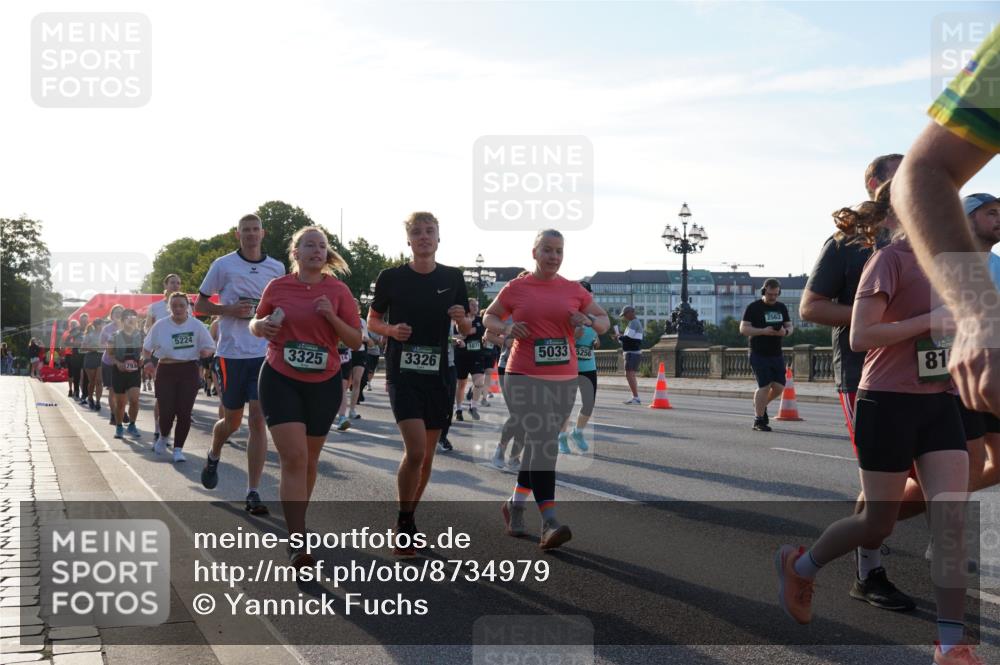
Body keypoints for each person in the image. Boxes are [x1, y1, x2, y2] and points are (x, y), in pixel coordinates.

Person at [775, 181, 976, 664]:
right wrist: (928, 321)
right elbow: (863, 334)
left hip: (939, 400)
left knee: (949, 522)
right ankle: (801, 566)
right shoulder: (888, 260)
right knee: (877, 522)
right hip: (885, 401)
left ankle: (951, 645)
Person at [799, 153, 916, 611]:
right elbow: (810, 307)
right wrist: (877, 318)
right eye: (901, 176)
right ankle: (868, 570)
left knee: (937, 473)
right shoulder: (847, 240)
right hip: (864, 375)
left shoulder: (926, 235)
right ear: (874, 185)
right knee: (882, 477)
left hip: (928, 376)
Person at [893, 26, 1000, 425]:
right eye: (990, 211)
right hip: (904, 382)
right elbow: (923, 172)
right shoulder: (889, 259)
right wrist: (980, 319)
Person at [484, 229, 610, 550]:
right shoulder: (517, 288)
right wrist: (508, 327)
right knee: (544, 445)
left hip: (564, 379)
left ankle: (514, 504)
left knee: (540, 446)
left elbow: (604, 321)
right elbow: (489, 317)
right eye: (547, 250)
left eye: (559, 251)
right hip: (522, 375)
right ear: (535, 252)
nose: (554, 256)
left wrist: (589, 320)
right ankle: (549, 521)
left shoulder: (573, 289)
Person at [246, 226, 360, 566]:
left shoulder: (339, 291)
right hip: (281, 377)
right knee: (294, 457)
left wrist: (330, 316)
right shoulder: (278, 286)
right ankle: (297, 540)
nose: (316, 250)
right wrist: (261, 326)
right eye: (309, 245)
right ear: (295, 253)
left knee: (309, 460)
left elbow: (355, 341)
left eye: (322, 246)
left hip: (323, 382)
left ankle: (299, 522)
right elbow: (256, 321)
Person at [367, 212, 472, 556]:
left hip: (439, 374)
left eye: (430, 232)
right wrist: (391, 331)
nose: (424, 237)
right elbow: (373, 320)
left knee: (425, 458)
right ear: (408, 240)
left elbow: (469, 330)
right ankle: (402, 520)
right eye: (417, 232)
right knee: (414, 451)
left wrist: (462, 320)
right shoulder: (391, 277)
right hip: (404, 373)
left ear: (439, 239)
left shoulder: (453, 277)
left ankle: (409, 520)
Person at [196, 213, 285, 515]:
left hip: (263, 353)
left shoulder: (277, 268)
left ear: (263, 233)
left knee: (258, 421)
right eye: (245, 230)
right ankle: (214, 452)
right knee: (232, 422)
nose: (250, 234)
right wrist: (229, 309)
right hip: (231, 354)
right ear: (238, 235)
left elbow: (279, 307)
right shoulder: (223, 265)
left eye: (255, 229)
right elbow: (200, 305)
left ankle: (253, 492)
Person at [142, 292, 216, 462]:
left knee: (184, 412)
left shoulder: (196, 325)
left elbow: (210, 346)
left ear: (187, 307)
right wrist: (147, 362)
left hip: (188, 370)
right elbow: (146, 348)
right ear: (169, 307)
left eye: (181, 305)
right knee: (166, 411)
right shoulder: (160, 325)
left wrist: (206, 351)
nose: (178, 309)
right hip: (166, 369)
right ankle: (163, 436)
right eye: (174, 305)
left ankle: (178, 449)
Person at [739, 279, 792, 431]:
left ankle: (760, 405)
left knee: (779, 387)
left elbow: (789, 326)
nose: (773, 297)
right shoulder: (753, 307)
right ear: (764, 292)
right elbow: (743, 329)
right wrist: (762, 331)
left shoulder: (781, 307)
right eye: (770, 294)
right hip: (758, 352)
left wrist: (785, 332)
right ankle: (759, 420)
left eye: (776, 295)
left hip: (776, 353)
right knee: (764, 385)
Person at [558, 280, 598, 454]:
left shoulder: (594, 317)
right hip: (570, 367)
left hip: (589, 366)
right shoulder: (569, 315)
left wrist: (596, 341)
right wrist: (573, 337)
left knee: (589, 404)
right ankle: (561, 437)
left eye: (589, 294)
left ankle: (578, 432)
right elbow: (558, 341)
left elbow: (596, 335)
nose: (587, 297)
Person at [146, 274, 186, 442]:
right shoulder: (155, 307)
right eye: (172, 282)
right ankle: (159, 429)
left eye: (178, 283)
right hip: (161, 355)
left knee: (180, 397)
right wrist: (155, 343)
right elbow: (148, 327)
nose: (176, 285)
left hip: (182, 355)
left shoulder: (186, 305)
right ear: (165, 284)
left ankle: (170, 429)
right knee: (162, 396)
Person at [112, 309, 144, 439]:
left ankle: (132, 424)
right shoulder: (115, 336)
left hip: (134, 371)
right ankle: (119, 426)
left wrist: (143, 358)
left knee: (134, 400)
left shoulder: (140, 335)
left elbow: (145, 350)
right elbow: (109, 355)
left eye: (133, 317)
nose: (131, 320)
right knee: (120, 403)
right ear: (123, 320)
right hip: (119, 371)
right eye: (128, 317)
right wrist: (118, 363)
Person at [454, 299, 487, 422]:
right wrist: (458, 338)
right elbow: (455, 334)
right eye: (472, 305)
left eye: (477, 305)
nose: (475, 307)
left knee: (479, 382)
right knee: (461, 384)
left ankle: (473, 407)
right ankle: (458, 409)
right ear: (466, 307)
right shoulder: (459, 320)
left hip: (476, 356)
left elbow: (466, 332)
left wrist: (461, 336)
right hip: (461, 356)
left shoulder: (480, 321)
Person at [100, 306, 125, 426]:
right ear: (112, 315)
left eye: (121, 312)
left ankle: (121, 411)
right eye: (116, 312)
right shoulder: (107, 328)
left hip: (124, 362)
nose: (118, 314)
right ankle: (113, 415)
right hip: (109, 362)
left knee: (123, 390)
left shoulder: (128, 327)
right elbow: (101, 343)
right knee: (112, 390)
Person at [614, 306, 643, 404]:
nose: (624, 317)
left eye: (625, 314)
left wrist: (618, 337)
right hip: (632, 352)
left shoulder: (634, 322)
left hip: (632, 353)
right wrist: (620, 337)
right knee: (630, 374)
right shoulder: (633, 323)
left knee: (629, 374)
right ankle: (635, 397)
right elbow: (628, 338)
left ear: (631, 312)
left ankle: (636, 397)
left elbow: (628, 338)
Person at [82, 319, 105, 411]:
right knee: (92, 381)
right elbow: (83, 348)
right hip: (91, 357)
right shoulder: (89, 335)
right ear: (96, 325)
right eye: (100, 324)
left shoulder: (106, 335)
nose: (102, 326)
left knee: (99, 381)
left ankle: (98, 401)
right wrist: (94, 348)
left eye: (102, 324)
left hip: (102, 357)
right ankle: (90, 398)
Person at [61, 320, 84, 399]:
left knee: (76, 373)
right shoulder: (68, 333)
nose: (73, 326)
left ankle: (75, 390)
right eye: (72, 324)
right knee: (72, 373)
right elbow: (64, 344)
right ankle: (72, 390)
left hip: (76, 354)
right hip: (70, 354)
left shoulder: (78, 333)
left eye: (74, 324)